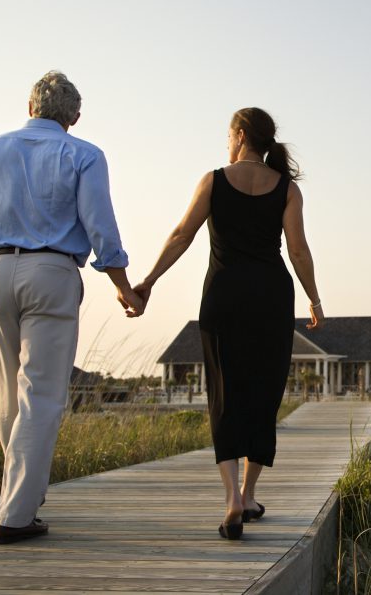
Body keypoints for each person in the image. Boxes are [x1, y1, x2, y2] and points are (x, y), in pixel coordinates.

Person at [0, 71, 145, 544]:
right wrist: (123, 286)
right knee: (41, 395)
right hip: (54, 273)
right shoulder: (84, 155)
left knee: (5, 393)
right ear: (74, 117)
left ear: (30, 106)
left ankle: (24, 495)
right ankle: (15, 515)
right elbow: (101, 227)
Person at [134, 107, 322, 540]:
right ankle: (249, 492)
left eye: (228, 135)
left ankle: (231, 499)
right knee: (263, 393)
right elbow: (298, 252)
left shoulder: (214, 180)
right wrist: (314, 298)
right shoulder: (287, 189)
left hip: (223, 297)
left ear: (239, 135)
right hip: (272, 299)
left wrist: (148, 281)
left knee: (224, 394)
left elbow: (182, 234)